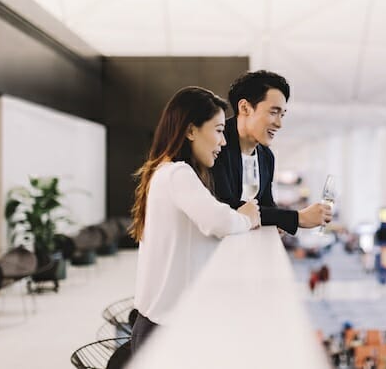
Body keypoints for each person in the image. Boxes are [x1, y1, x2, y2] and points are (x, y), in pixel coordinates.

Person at [129, 86, 261, 354]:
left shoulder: (163, 172)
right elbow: (219, 222)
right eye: (219, 130)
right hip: (165, 333)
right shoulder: (178, 173)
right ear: (190, 131)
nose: (223, 143)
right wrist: (246, 218)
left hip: (159, 327)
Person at [212, 70, 331, 234]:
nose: (279, 124)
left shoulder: (266, 156)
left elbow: (266, 204)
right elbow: (225, 205)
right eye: (273, 112)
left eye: (282, 115)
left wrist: (277, 222)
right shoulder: (216, 144)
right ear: (245, 107)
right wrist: (297, 218)